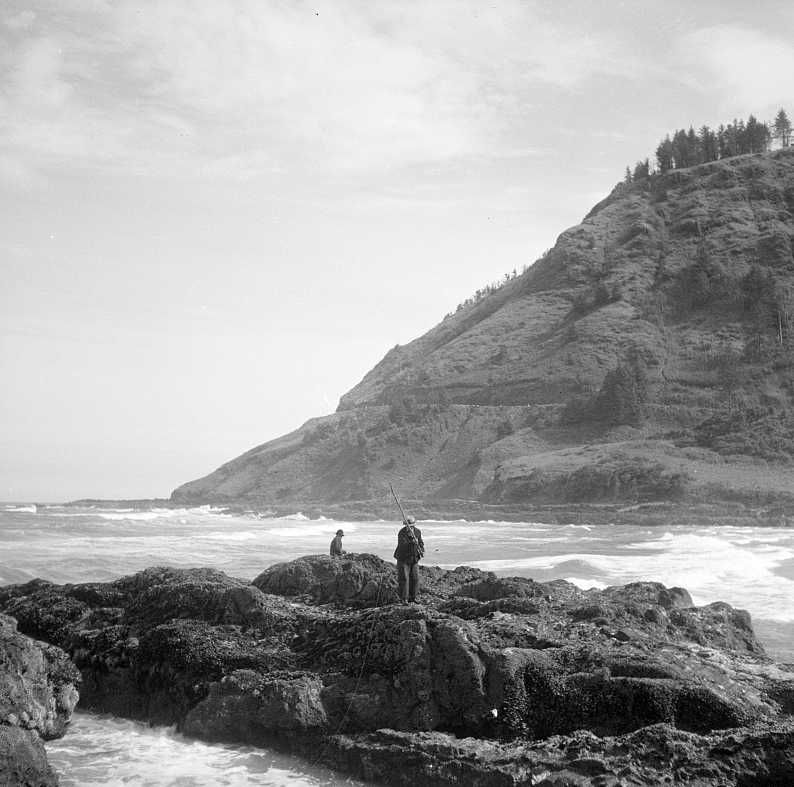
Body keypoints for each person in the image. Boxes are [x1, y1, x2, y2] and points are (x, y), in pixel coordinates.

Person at [393, 515, 424, 603]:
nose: (409, 528)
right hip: (403, 559)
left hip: (414, 558)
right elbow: (402, 545)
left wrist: (421, 549)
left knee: (415, 578)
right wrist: (412, 541)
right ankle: (404, 599)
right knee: (404, 579)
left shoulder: (418, 532)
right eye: (408, 526)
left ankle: (413, 597)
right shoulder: (402, 532)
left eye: (411, 526)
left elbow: (421, 543)